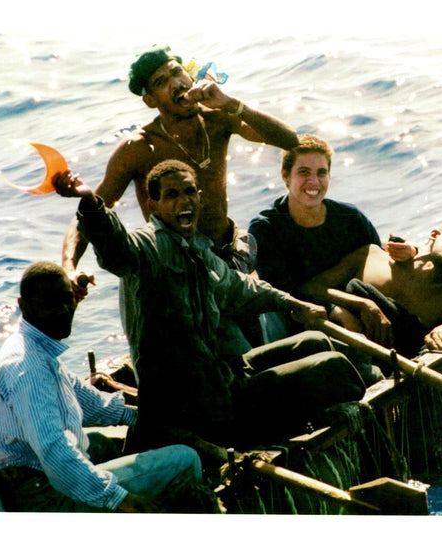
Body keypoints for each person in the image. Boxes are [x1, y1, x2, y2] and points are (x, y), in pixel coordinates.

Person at [53, 160, 368, 452]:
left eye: (189, 191)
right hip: (192, 407)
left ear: (200, 197)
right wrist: (89, 200)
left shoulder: (198, 250)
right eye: (172, 195)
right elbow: (116, 247)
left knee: (316, 342)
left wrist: (290, 303)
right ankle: (270, 431)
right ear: (153, 206)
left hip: (218, 377)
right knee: (334, 369)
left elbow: (240, 287)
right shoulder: (147, 247)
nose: (184, 201)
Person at [61, 46, 300, 301]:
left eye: (177, 72)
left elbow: (289, 140)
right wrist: (68, 267)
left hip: (229, 257)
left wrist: (232, 104)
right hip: (177, 270)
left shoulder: (219, 118)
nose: (176, 84)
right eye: (161, 82)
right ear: (150, 100)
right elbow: (89, 214)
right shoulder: (139, 147)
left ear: (189, 75)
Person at [0, 261, 207, 513]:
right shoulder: (28, 367)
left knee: (102, 443)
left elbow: (92, 404)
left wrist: (139, 415)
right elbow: (55, 451)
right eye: (50, 303)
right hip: (40, 494)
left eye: (67, 299)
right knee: (185, 459)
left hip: (35, 475)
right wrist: (121, 499)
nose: (64, 310)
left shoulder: (37, 349)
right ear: (24, 306)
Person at [248, 134, 381, 339]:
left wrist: (405, 254)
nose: (313, 182)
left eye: (321, 173)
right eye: (304, 172)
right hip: (301, 320)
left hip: (355, 306)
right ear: (285, 175)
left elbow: (377, 263)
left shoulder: (351, 218)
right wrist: (333, 309)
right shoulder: (266, 227)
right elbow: (282, 292)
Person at [299, 224, 442, 356]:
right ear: (434, 235)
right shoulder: (371, 255)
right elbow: (311, 287)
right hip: (335, 344)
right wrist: (362, 304)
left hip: (387, 365)